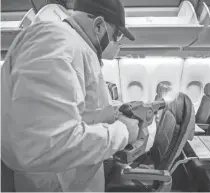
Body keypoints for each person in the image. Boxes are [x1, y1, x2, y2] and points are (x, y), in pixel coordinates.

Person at [1, 0, 139, 191]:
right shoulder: (54, 42)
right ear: (99, 25)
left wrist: (114, 112)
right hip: (53, 185)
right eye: (117, 35)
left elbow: (73, 111)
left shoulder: (74, 46)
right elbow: (49, 143)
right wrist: (122, 132)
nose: (118, 43)